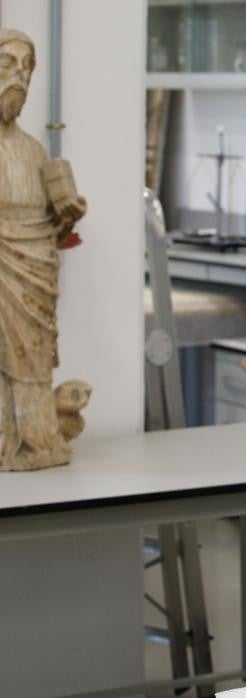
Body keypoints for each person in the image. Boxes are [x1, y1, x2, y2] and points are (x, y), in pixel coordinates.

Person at [0, 28, 89, 471]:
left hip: (34, 273)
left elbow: (51, 229)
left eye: (26, 68)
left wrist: (66, 214)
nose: (18, 78)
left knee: (33, 357)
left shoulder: (36, 151)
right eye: (6, 65)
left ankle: (37, 441)